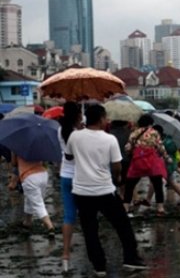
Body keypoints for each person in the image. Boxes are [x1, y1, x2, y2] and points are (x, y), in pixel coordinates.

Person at [64, 105, 146, 275]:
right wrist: (117, 178)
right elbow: (116, 166)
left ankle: (99, 265)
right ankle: (130, 258)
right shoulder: (109, 139)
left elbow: (69, 156)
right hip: (104, 190)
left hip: (81, 192)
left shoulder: (74, 136)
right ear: (101, 119)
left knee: (90, 230)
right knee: (122, 225)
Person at [123, 114, 169, 216]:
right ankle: (160, 208)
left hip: (138, 162)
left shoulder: (134, 133)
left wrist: (133, 152)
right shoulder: (154, 133)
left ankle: (125, 207)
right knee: (157, 185)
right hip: (152, 162)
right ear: (150, 123)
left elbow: (128, 148)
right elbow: (160, 147)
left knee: (130, 185)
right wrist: (166, 157)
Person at [58, 102, 82, 273]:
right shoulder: (77, 134)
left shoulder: (60, 130)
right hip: (80, 177)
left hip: (65, 175)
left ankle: (65, 255)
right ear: (78, 115)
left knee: (68, 216)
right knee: (88, 216)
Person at [147, 125, 180, 206]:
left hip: (164, 164)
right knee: (170, 182)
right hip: (168, 164)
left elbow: (161, 152)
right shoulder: (168, 139)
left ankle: (148, 200)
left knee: (160, 181)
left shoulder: (160, 141)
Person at [12, 152, 55, 237]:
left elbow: (14, 163)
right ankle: (27, 222)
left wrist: (13, 154)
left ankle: (50, 227)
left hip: (29, 177)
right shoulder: (36, 145)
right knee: (29, 199)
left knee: (37, 203)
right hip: (42, 174)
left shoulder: (17, 147)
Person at [108, 120, 132, 198]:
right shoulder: (129, 133)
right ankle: (122, 197)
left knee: (112, 180)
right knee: (124, 181)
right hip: (126, 159)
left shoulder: (109, 134)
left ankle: (113, 196)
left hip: (112, 160)